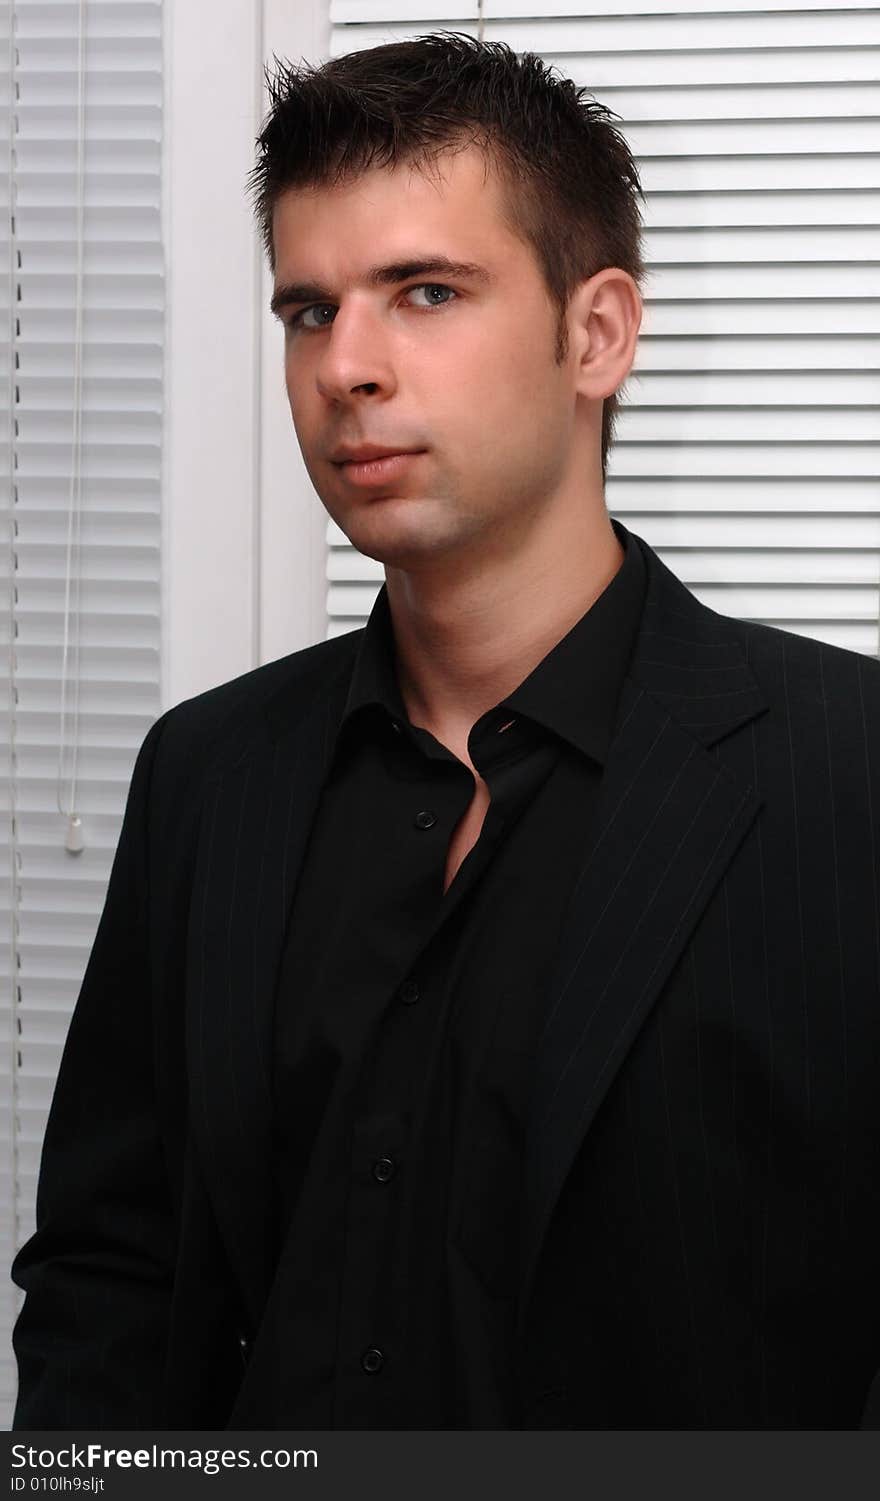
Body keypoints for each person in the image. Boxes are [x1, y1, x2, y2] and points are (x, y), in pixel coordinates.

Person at [10, 31, 880, 1431]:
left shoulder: (845, 774)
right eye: (309, 309)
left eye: (423, 292)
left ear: (596, 333)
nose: (345, 365)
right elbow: (114, 1273)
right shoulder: (206, 774)